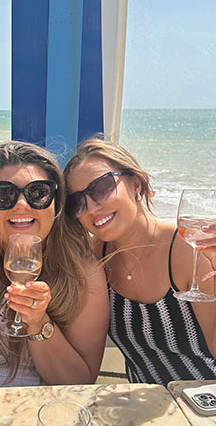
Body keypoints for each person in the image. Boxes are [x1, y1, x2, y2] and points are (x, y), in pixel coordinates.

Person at [0, 141, 109, 389]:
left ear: (56, 203)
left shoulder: (80, 271)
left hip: (18, 409)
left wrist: (38, 323)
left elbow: (81, 380)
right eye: (4, 194)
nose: (21, 205)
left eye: (38, 193)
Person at [63, 137, 216, 384]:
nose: (92, 207)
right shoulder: (93, 260)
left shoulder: (187, 250)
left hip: (204, 403)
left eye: (102, 187)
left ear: (135, 184)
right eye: (77, 201)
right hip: (142, 408)